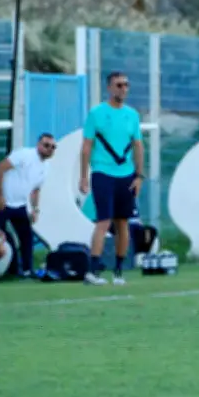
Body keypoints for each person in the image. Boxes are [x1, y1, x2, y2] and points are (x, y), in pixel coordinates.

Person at [79, 71, 145, 286]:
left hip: (126, 175)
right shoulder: (96, 113)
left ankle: (118, 270)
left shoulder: (132, 115)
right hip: (102, 173)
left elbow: (138, 145)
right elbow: (87, 146)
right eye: (118, 85)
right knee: (103, 221)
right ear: (109, 88)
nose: (123, 89)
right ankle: (93, 271)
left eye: (126, 85)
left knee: (123, 222)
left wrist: (139, 175)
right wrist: (83, 176)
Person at [0, 132, 55, 278]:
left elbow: (36, 190)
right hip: (3, 203)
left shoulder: (46, 167)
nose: (49, 149)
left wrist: (35, 209)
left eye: (53, 147)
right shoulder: (24, 155)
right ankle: (7, 269)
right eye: (46, 145)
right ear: (38, 145)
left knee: (26, 237)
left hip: (20, 204)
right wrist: (0, 195)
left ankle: (27, 270)